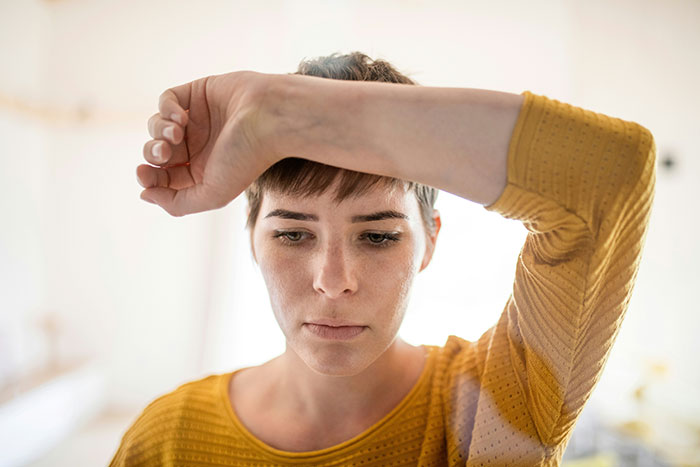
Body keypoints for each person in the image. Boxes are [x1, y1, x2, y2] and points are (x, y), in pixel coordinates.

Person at [113, 52, 656, 466]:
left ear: (430, 241)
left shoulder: (495, 406)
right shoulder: (167, 437)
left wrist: (282, 112)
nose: (333, 282)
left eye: (377, 237)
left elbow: (609, 177)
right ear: (252, 238)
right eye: (293, 236)